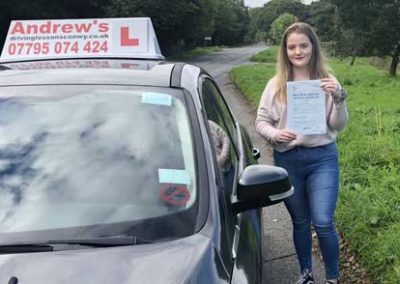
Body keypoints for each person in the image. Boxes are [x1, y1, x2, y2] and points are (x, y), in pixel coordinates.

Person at [255, 22, 348, 284]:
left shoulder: (327, 82)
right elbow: (261, 122)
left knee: (323, 221)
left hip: (322, 159)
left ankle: (332, 278)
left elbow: (337, 125)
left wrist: (339, 99)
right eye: (292, 47)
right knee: (300, 221)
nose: (298, 51)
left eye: (303, 45)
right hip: (288, 160)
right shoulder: (276, 85)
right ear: (285, 51)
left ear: (313, 47)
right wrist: (275, 134)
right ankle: (306, 273)